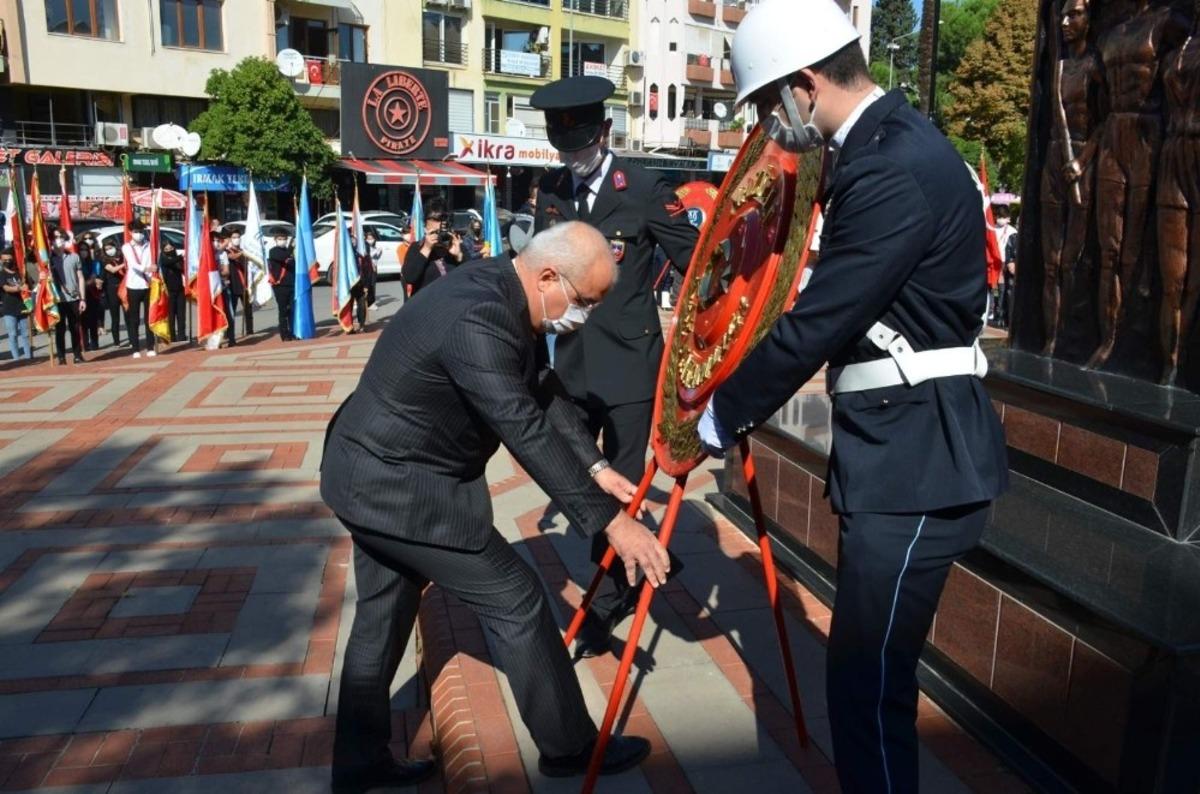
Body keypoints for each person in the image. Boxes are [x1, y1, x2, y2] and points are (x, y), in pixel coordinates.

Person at [697, 1, 1008, 790]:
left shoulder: (891, 165)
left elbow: (820, 321)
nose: (768, 125)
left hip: (920, 465)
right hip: (902, 455)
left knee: (867, 691)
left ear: (805, 84)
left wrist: (721, 410)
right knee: (865, 683)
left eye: (769, 104)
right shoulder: (878, 147)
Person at [321, 221, 668, 794]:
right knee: (518, 598)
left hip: (369, 472)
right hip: (399, 488)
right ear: (548, 276)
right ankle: (569, 747)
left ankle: (358, 761)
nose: (584, 317)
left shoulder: (504, 286)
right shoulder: (479, 317)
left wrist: (597, 466)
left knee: (384, 614)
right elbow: (524, 426)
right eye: (584, 302)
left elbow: (539, 385)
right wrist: (612, 522)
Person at [530, 74, 699, 658]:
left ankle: (603, 607)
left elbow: (694, 261)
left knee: (622, 488)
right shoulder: (552, 189)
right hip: (572, 366)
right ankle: (644, 556)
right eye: (563, 147)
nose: (572, 158)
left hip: (630, 369)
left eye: (580, 145)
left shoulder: (644, 188)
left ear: (604, 131)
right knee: (576, 476)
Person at [400, 199, 463, 296]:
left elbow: (472, 277)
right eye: (433, 232)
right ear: (425, 228)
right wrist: (426, 248)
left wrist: (459, 256)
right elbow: (409, 277)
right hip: (427, 303)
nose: (437, 236)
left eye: (440, 232)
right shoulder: (417, 247)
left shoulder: (456, 246)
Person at [50, 228, 86, 365]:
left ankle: (77, 355)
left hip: (73, 297)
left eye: (61, 237)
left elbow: (80, 277)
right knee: (60, 329)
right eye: (55, 237)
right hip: (57, 299)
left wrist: (83, 299)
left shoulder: (74, 257)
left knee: (75, 327)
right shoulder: (48, 259)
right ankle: (61, 357)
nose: (58, 240)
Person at [121, 221, 157, 358]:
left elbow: (155, 261)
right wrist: (146, 269)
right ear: (130, 232)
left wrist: (154, 269)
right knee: (134, 318)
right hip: (134, 285)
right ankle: (135, 348)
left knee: (149, 317)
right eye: (136, 232)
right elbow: (133, 264)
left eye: (141, 231)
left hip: (148, 284)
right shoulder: (127, 247)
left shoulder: (150, 245)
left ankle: (150, 346)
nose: (139, 234)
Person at [1, 248, 31, 362]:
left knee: (25, 334)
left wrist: (25, 286)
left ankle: (28, 358)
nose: (7, 262)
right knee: (13, 334)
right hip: (9, 309)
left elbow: (27, 285)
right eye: (5, 260)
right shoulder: (2, 274)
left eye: (9, 259)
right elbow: (6, 288)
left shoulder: (20, 273)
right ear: (1, 260)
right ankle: (17, 360)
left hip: (22, 307)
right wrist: (19, 288)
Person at [224, 231, 253, 340]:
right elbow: (232, 257)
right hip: (233, 285)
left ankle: (250, 330)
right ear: (230, 239)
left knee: (248, 309)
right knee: (231, 311)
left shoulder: (242, 251)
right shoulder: (227, 251)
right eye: (234, 237)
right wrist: (243, 253)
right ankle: (229, 333)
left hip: (244, 284)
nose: (237, 239)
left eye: (238, 237)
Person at [158, 238, 187, 344]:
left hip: (180, 289)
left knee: (181, 314)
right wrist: (181, 256)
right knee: (170, 315)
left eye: (171, 248)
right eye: (166, 249)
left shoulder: (177, 258)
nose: (169, 250)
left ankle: (182, 335)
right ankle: (172, 336)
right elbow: (168, 262)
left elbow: (182, 268)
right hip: (168, 291)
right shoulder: (163, 259)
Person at [268, 232, 295, 341]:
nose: (282, 241)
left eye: (284, 239)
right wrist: (291, 247)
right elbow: (283, 257)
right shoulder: (273, 251)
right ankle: (284, 334)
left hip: (291, 284)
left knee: (292, 310)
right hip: (280, 286)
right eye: (280, 238)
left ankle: (293, 331)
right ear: (275, 240)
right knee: (283, 310)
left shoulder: (289, 252)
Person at [78, 241, 104, 352]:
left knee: (93, 320)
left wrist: (88, 282)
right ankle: (85, 344)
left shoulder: (94, 263)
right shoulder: (77, 263)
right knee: (82, 321)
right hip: (80, 294)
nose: (84, 252)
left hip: (92, 294)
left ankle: (94, 343)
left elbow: (94, 275)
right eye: (81, 249)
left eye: (85, 249)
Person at [101, 241, 125, 348]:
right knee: (115, 317)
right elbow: (113, 270)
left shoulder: (122, 257)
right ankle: (117, 342)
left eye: (110, 248)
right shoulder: (105, 260)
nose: (109, 250)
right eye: (106, 249)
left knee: (128, 315)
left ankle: (132, 339)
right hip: (112, 290)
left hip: (123, 287)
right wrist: (125, 264)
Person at [362, 228, 381, 310]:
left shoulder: (375, 247)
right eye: (368, 239)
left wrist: (379, 252)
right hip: (366, 269)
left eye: (372, 238)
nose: (370, 240)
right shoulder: (364, 247)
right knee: (365, 285)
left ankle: (371, 303)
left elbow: (377, 258)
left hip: (374, 269)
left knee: (372, 285)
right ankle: (362, 302)